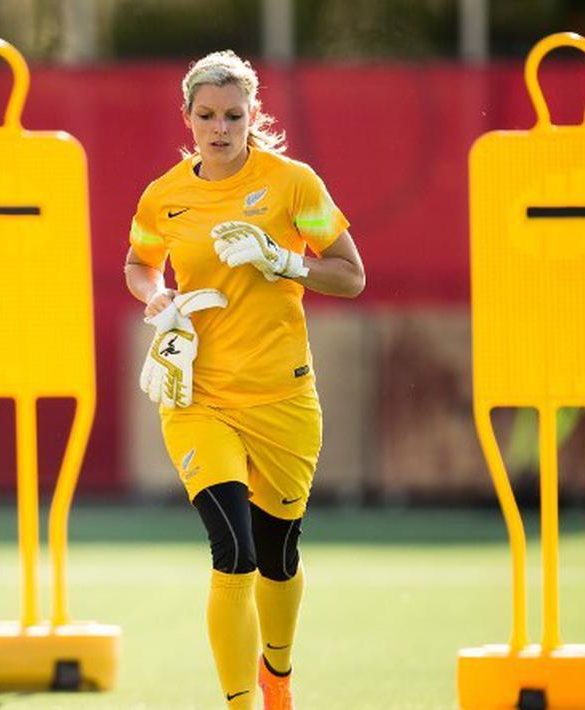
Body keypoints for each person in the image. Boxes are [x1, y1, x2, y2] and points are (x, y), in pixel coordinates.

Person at [124, 50, 366, 710]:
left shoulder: (293, 186)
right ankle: (239, 705)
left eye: (233, 115)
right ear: (187, 117)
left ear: (252, 114)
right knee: (231, 551)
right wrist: (157, 299)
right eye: (206, 115)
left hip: (284, 396)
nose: (220, 128)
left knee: (276, 552)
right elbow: (138, 262)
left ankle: (277, 676)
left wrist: (285, 260)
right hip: (198, 396)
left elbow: (349, 274)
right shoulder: (164, 195)